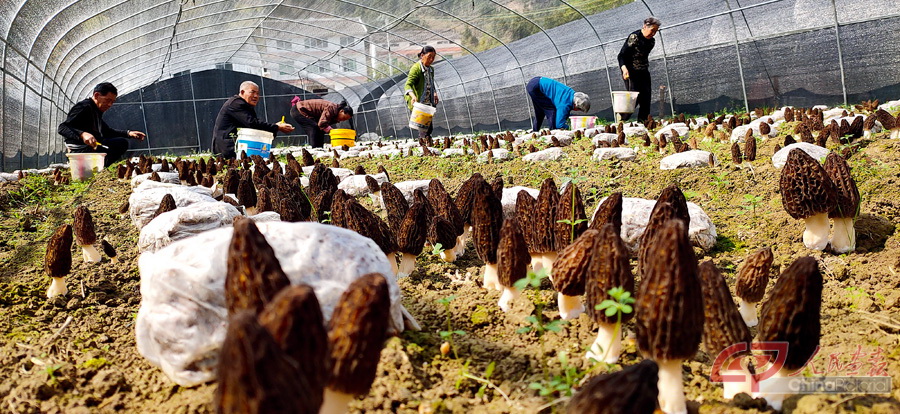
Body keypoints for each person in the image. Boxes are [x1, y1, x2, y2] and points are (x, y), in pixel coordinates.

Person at [58, 82, 146, 167]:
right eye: (107, 100)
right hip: (81, 149)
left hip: (94, 146)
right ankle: (96, 168)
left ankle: (101, 167)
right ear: (96, 95)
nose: (109, 104)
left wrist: (128, 133)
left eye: (112, 102)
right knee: (117, 144)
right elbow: (63, 127)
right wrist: (82, 134)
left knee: (121, 143)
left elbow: (106, 131)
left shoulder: (96, 110)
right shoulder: (84, 107)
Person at [211, 81, 293, 159]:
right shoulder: (236, 104)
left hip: (232, 145)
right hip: (226, 146)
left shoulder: (244, 105)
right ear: (242, 92)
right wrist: (277, 127)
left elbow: (253, 124)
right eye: (252, 92)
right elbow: (252, 123)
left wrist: (276, 127)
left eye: (257, 93)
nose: (256, 96)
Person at [618, 17, 661, 122]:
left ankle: (643, 122)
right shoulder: (634, 37)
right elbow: (621, 55)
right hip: (630, 71)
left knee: (646, 97)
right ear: (645, 26)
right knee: (634, 97)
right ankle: (622, 119)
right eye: (652, 30)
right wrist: (624, 69)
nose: (653, 34)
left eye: (656, 31)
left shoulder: (651, 41)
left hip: (643, 71)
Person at [525, 76, 591, 132]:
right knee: (551, 110)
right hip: (537, 88)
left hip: (535, 82)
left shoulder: (571, 94)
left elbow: (565, 112)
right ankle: (552, 133)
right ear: (576, 106)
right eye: (579, 109)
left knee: (540, 111)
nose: (577, 111)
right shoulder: (564, 104)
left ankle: (535, 131)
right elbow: (559, 125)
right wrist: (569, 127)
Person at [405, 45, 439, 140]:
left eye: (433, 57)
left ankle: (426, 143)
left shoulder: (431, 69)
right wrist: (413, 96)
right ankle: (424, 145)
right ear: (422, 55)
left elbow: (431, 83)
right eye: (429, 57)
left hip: (428, 100)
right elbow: (408, 85)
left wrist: (435, 93)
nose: (431, 59)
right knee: (423, 128)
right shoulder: (416, 68)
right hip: (418, 102)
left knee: (429, 127)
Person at [289, 97, 354, 148]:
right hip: (298, 110)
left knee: (319, 129)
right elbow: (322, 123)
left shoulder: (335, 114)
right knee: (313, 128)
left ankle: (319, 148)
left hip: (305, 112)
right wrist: (331, 131)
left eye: (345, 120)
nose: (343, 120)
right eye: (344, 118)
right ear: (341, 111)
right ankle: (315, 150)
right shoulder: (332, 108)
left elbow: (322, 126)